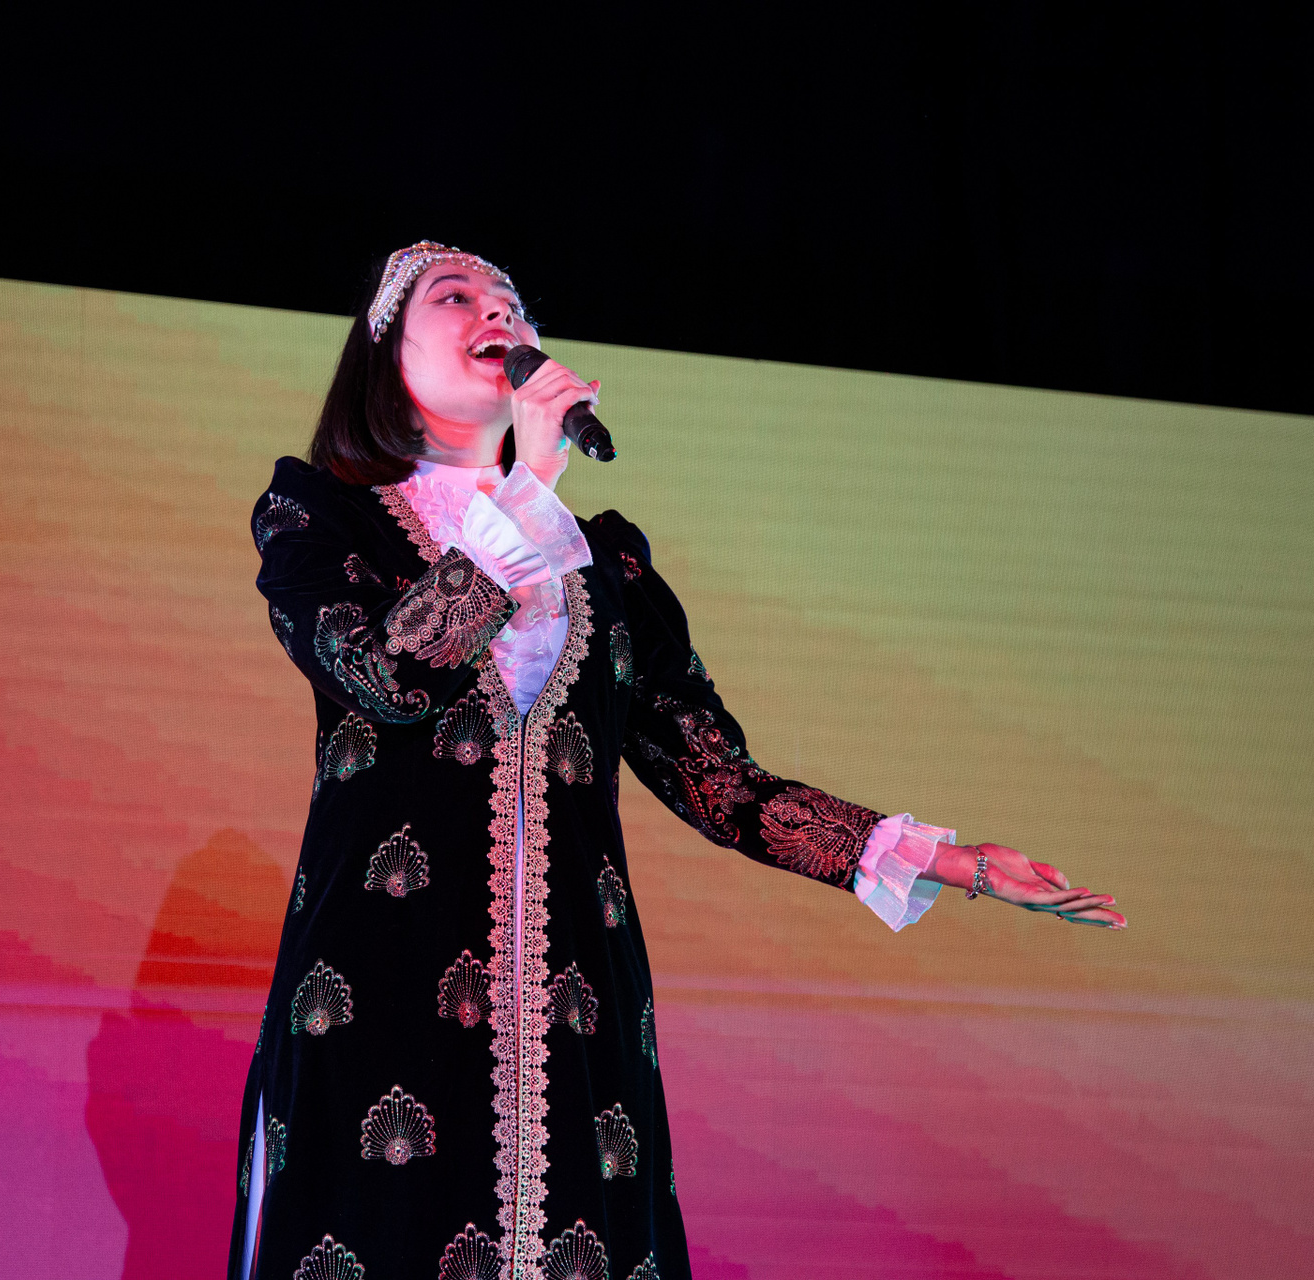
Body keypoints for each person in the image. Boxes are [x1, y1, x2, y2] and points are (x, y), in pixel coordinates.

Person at [231, 241, 1123, 1280]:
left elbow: (716, 779)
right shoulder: (320, 514)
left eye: (513, 302)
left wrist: (946, 859)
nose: (497, 313)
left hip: (576, 1003)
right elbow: (387, 674)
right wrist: (528, 486)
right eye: (456, 296)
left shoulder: (606, 564)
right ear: (384, 349)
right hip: (377, 989)